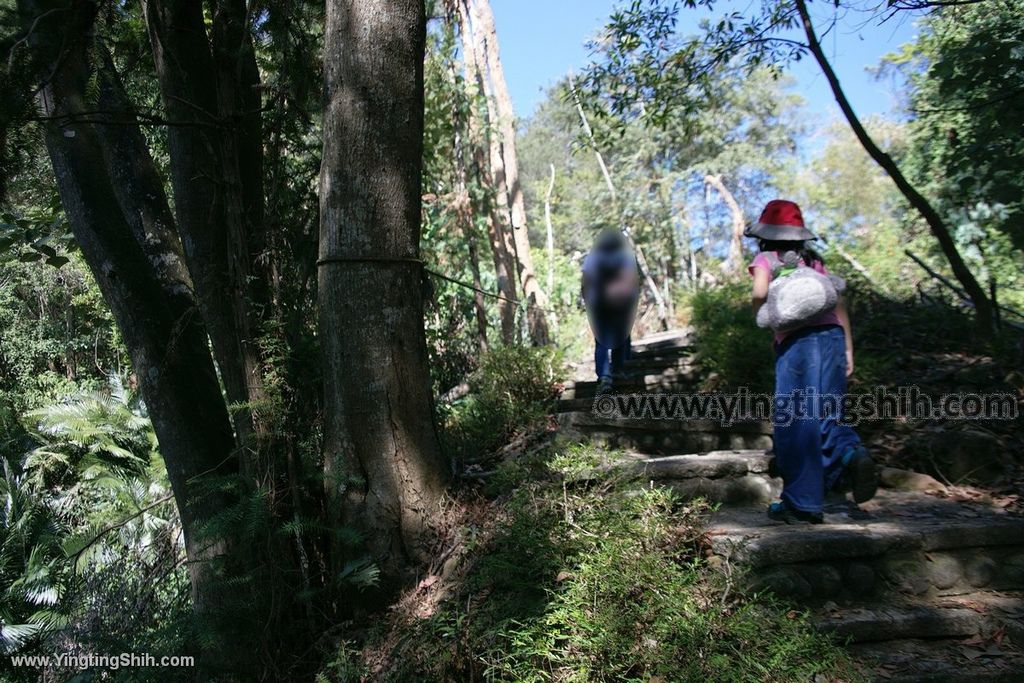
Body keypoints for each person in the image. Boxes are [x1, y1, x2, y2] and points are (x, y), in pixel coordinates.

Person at [748, 199, 877, 524]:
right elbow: (839, 301)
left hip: (798, 344)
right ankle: (850, 452)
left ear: (765, 233)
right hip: (832, 337)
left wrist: (762, 316)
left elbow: (759, 293)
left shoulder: (766, 258)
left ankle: (802, 502)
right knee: (828, 412)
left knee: (796, 419)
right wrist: (848, 349)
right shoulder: (814, 261)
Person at [581, 229, 641, 394]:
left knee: (601, 342)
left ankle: (604, 377)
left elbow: (586, 281)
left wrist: (586, 300)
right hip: (621, 303)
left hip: (598, 304)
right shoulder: (625, 257)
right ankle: (618, 370)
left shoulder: (592, 257)